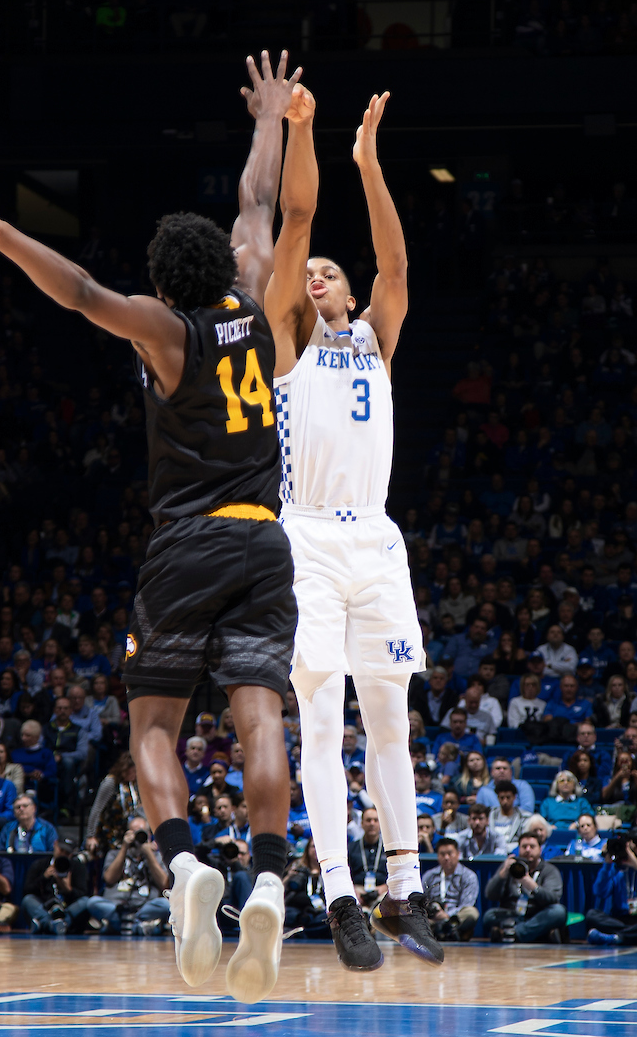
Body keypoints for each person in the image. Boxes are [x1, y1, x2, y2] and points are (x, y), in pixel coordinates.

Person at [0, 50, 301, 1002]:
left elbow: (82, 290)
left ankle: (183, 868)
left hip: (189, 541)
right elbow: (260, 203)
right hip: (267, 538)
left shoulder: (162, 329)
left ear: (164, 283)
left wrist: (0, 228)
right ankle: (264, 878)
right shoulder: (257, 300)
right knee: (259, 716)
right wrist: (270, 118)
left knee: (154, 726)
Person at [263, 82, 440, 970]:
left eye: (333, 270)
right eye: (314, 271)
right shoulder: (288, 338)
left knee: (391, 720)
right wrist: (307, 137)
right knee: (322, 719)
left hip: (376, 540)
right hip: (308, 541)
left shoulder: (374, 336)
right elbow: (295, 228)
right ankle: (337, 889)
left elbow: (397, 270)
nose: (320, 275)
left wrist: (370, 166)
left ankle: (403, 888)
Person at [86, 816, 170, 935]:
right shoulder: (114, 853)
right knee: (93, 902)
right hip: (117, 907)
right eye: (134, 832)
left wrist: (148, 854)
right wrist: (124, 847)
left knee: (165, 905)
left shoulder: (157, 856)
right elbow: (109, 879)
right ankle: (139, 926)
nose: (137, 836)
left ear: (149, 834)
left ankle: (119, 926)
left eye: (141, 832)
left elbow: (164, 884)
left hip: (144, 907)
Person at [484, 833, 567, 943]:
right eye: (524, 847)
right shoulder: (510, 866)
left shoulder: (549, 870)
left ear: (540, 850)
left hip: (537, 915)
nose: (528, 850)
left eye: (532, 847)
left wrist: (532, 886)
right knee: (489, 916)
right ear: (518, 849)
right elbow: (490, 894)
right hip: (513, 914)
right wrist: (503, 873)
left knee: (558, 912)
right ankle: (529, 933)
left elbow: (553, 898)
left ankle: (515, 933)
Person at [585, 827, 637, 945]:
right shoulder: (617, 867)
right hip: (620, 918)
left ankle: (617, 937)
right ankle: (627, 936)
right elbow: (599, 892)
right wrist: (607, 864)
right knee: (592, 915)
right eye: (634, 841)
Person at [21, 836, 90, 934]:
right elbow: (27, 890)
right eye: (61, 850)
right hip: (45, 908)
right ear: (55, 845)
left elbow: (83, 894)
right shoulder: (40, 864)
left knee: (86, 902)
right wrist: (44, 877)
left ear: (71, 854)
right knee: (28, 900)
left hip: (67, 909)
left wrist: (68, 889)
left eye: (67, 853)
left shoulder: (78, 868)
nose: (63, 854)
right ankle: (55, 925)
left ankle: (45, 924)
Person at [421, 837, 480, 942]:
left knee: (472, 912)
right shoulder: (429, 875)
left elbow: (467, 904)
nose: (446, 858)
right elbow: (421, 900)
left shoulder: (468, 876)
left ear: (458, 854)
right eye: (442, 854)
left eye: (450, 853)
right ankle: (445, 930)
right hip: (433, 918)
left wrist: (446, 915)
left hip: (455, 917)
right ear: (437, 856)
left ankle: (446, 928)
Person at [347, 806, 387, 908]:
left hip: (383, 891)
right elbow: (346, 875)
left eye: (375, 820)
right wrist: (354, 891)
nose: (372, 823)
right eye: (368, 820)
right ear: (362, 824)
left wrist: (384, 888)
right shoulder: (351, 848)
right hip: (358, 891)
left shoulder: (388, 848)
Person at [488, 781, 531, 852]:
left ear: (514, 797)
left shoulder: (523, 817)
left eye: (508, 797)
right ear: (498, 798)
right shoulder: (490, 815)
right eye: (502, 798)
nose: (505, 801)